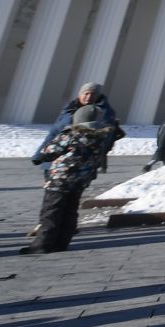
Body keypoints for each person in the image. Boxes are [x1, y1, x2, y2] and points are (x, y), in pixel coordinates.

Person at [24, 106, 119, 253]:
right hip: (81, 181)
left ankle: (41, 245)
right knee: (70, 212)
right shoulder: (100, 137)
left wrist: (40, 158)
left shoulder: (71, 134)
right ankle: (62, 243)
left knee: (51, 212)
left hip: (60, 180)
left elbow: (49, 151)